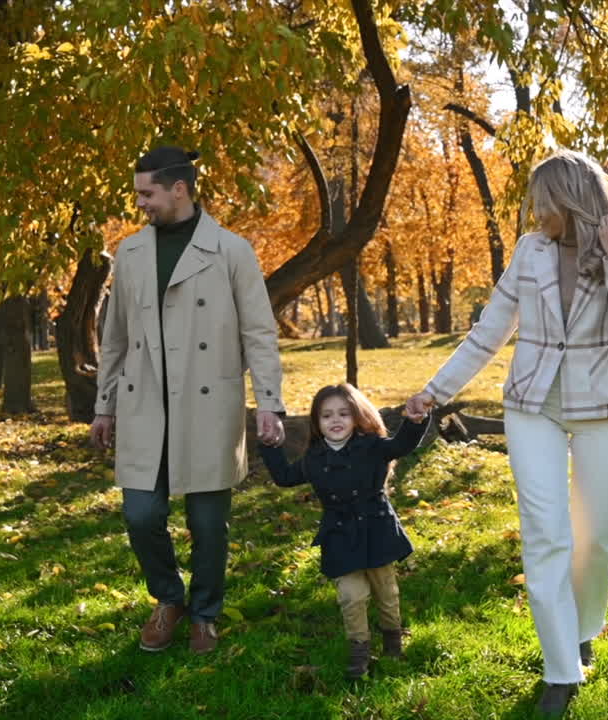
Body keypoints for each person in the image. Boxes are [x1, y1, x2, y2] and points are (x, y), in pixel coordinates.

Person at [405, 150, 608, 715]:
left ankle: (585, 626)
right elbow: (488, 332)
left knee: (593, 536)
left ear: (571, 198)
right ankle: (560, 671)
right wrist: (435, 391)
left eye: (543, 204)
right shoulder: (530, 251)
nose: (535, 214)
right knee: (545, 535)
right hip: (532, 406)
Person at [89, 145, 286, 655]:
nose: (140, 204)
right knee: (140, 514)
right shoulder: (130, 253)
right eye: (138, 194)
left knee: (207, 525)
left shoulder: (232, 250)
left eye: (147, 193)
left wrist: (269, 402)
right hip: (142, 405)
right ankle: (168, 599)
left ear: (179, 189)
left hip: (208, 404)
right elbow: (113, 339)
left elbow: (260, 333)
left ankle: (204, 615)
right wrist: (103, 406)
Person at [257, 383, 429, 678]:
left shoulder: (373, 446)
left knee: (385, 592)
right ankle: (359, 649)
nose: (335, 421)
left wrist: (415, 422)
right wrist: (271, 446)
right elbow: (285, 477)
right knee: (351, 595)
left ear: (357, 416)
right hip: (339, 535)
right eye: (326, 416)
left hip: (376, 528)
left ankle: (392, 639)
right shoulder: (315, 458)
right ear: (317, 422)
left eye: (343, 414)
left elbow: (402, 446)